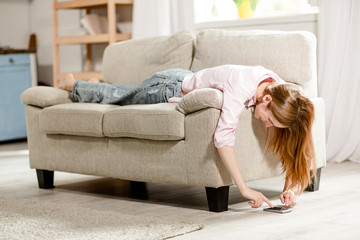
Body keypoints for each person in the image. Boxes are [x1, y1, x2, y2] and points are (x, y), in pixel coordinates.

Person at [58, 65, 316, 209]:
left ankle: (90, 83)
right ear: (267, 99)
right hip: (168, 84)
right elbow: (222, 139)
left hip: (181, 78)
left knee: (122, 94)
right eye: (269, 119)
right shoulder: (242, 86)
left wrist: (290, 190)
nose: (268, 125)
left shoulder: (280, 89)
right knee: (118, 99)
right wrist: (244, 189)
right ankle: (72, 84)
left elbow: (296, 140)